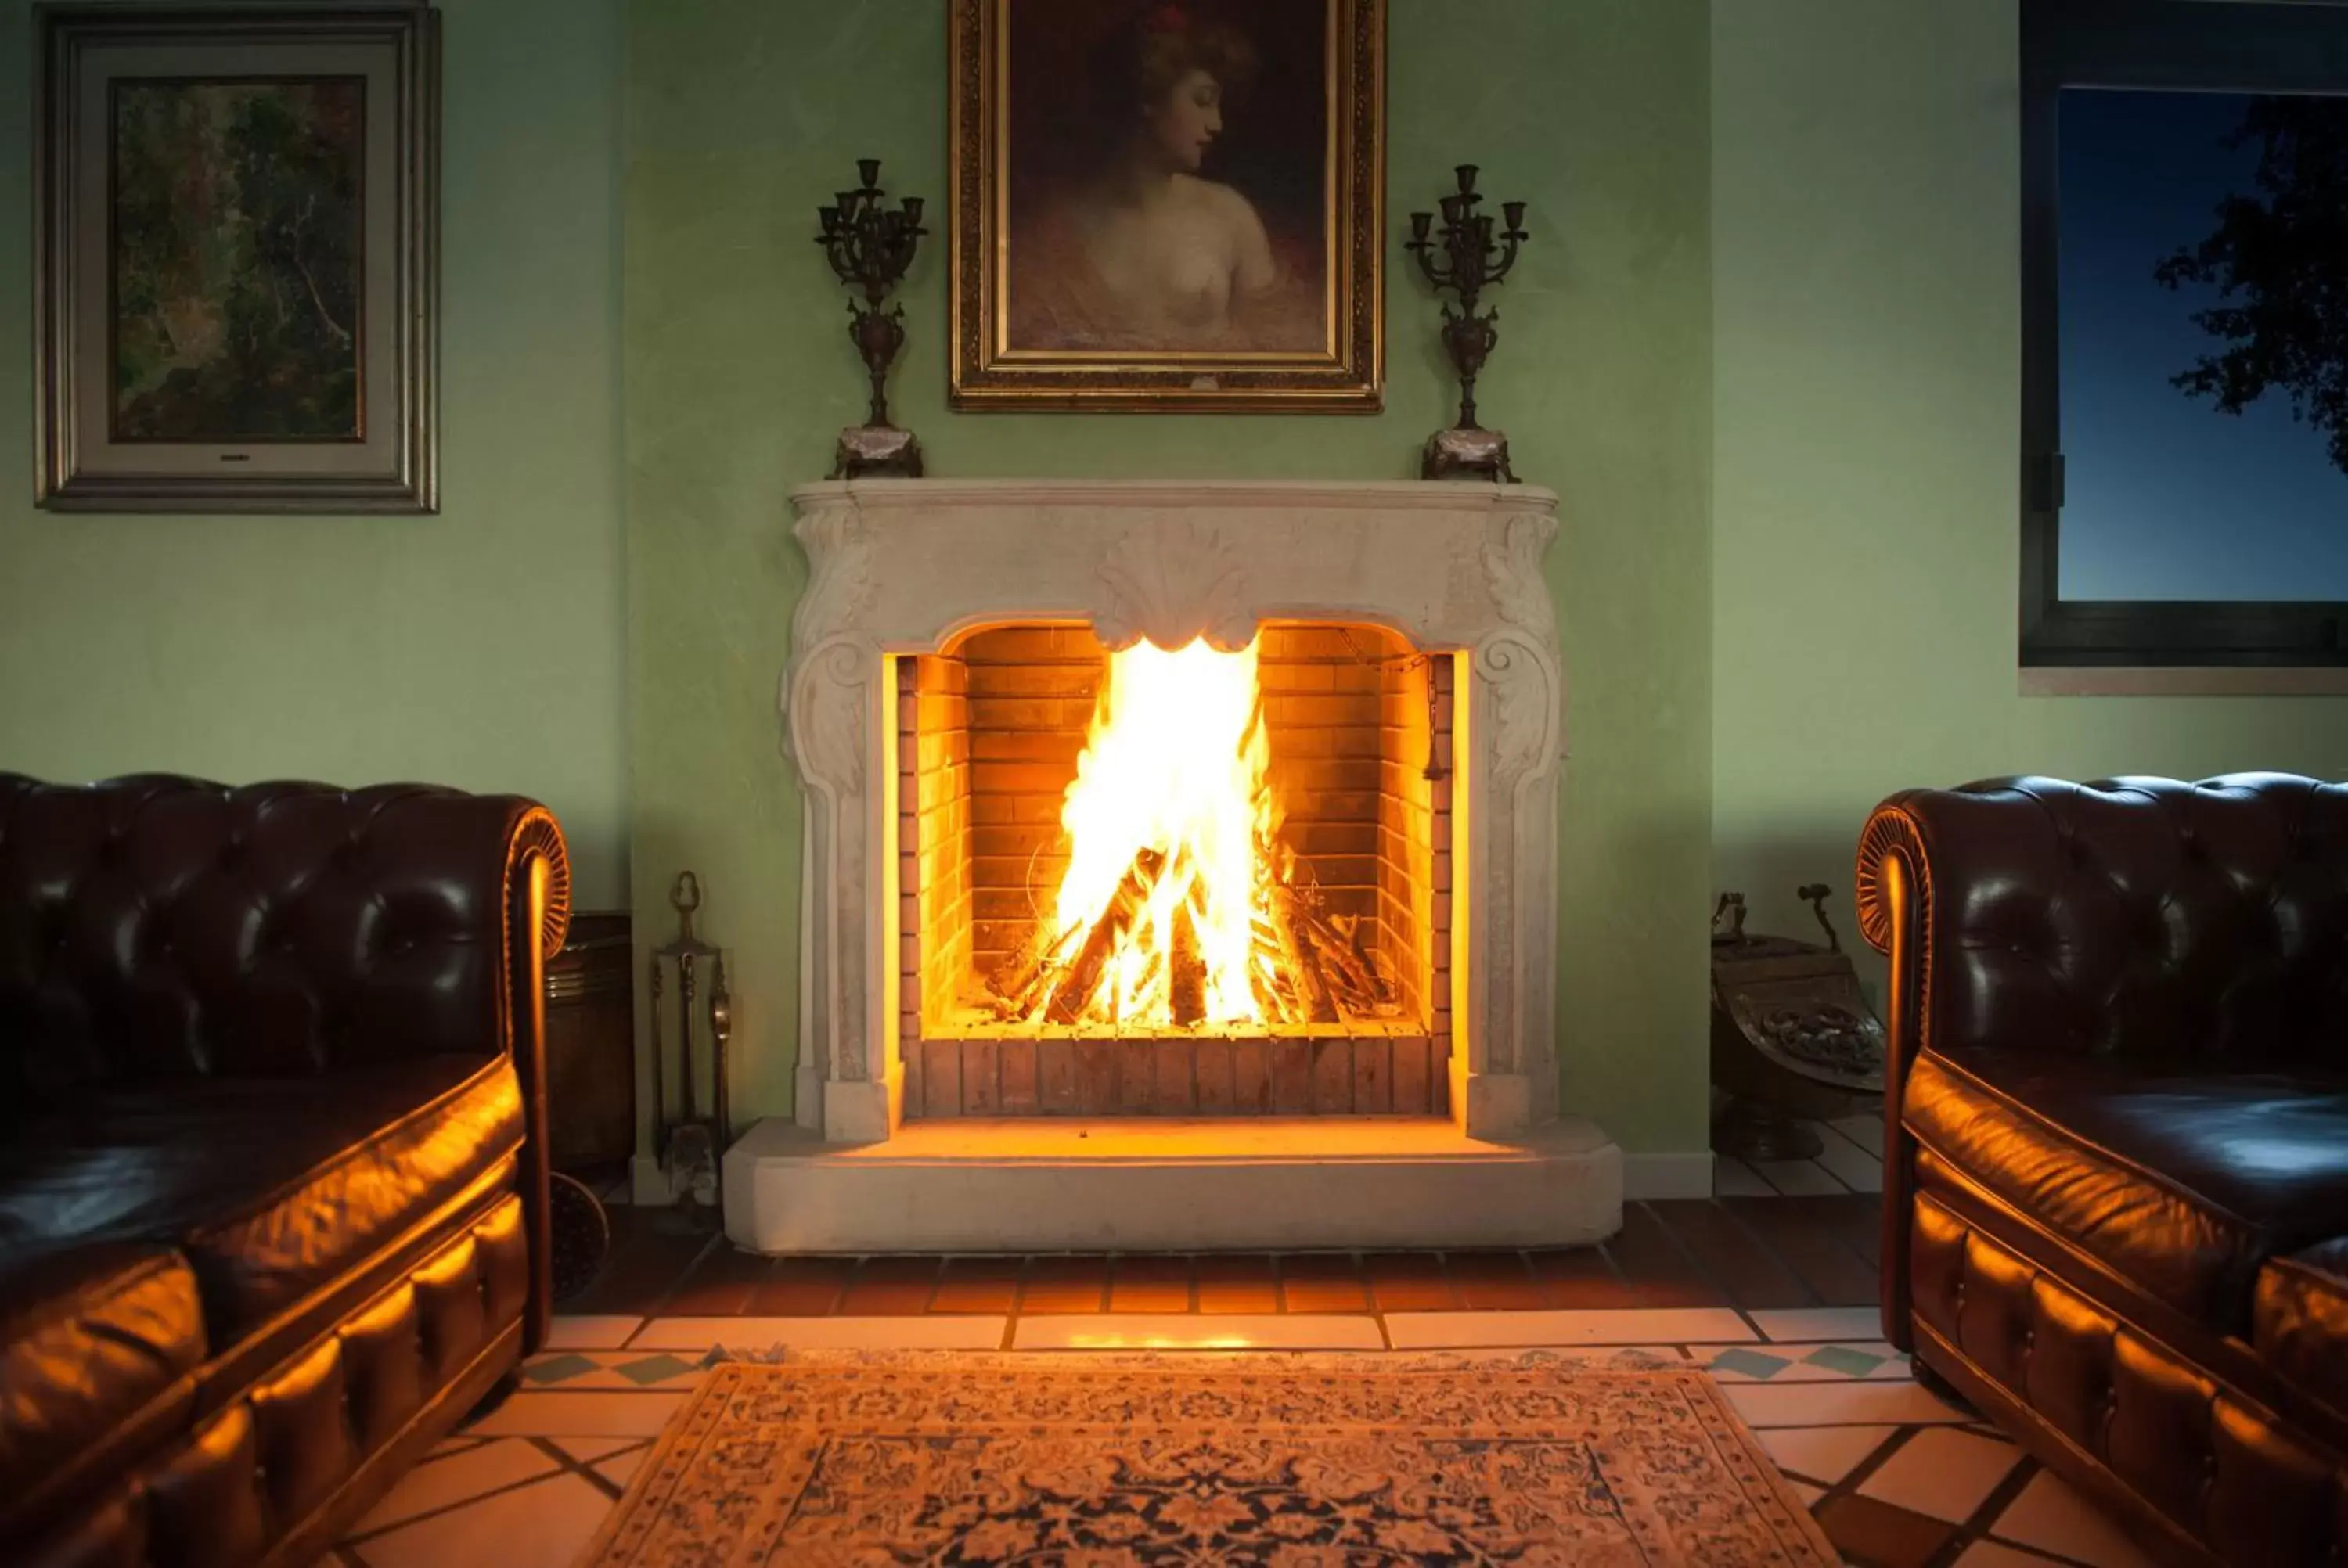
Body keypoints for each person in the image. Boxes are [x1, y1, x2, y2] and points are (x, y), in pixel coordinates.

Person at [1009, 5, 1318, 353]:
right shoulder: (1060, 227)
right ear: (1149, 99)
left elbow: (1278, 354)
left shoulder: (1230, 215)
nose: (1216, 123)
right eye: (1202, 101)